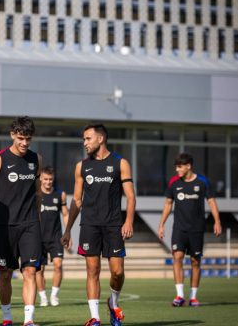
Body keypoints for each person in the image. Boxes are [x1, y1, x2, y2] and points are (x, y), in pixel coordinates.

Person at [61, 123, 136, 326]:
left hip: (114, 225)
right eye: (84, 139)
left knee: (117, 272)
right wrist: (68, 229)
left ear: (100, 139)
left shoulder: (121, 163)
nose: (84, 143)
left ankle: (113, 302)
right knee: (92, 271)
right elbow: (77, 200)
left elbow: (130, 196)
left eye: (88, 138)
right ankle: (95, 318)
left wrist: (128, 221)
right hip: (89, 225)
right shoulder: (81, 166)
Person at [0, 116, 42, 326]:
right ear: (12, 135)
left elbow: (38, 193)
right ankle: (7, 317)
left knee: (30, 271)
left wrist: (38, 219)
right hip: (5, 226)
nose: (24, 143)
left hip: (30, 224)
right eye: (20, 138)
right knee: (6, 274)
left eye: (28, 139)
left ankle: (28, 320)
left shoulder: (36, 159)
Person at [158, 152, 222, 308]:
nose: (177, 170)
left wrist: (217, 221)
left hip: (197, 228)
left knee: (195, 261)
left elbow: (212, 203)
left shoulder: (202, 182)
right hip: (179, 227)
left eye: (179, 167)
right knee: (177, 257)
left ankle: (193, 297)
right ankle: (180, 296)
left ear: (188, 166)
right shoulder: (173, 182)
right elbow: (168, 204)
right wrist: (161, 225)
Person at [35, 166, 69, 307]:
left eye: (50, 179)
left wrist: (67, 233)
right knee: (40, 269)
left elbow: (65, 214)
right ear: (41, 178)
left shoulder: (60, 194)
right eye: (46, 179)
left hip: (56, 237)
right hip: (38, 237)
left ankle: (54, 295)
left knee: (58, 265)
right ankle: (43, 297)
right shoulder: (36, 194)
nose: (48, 182)